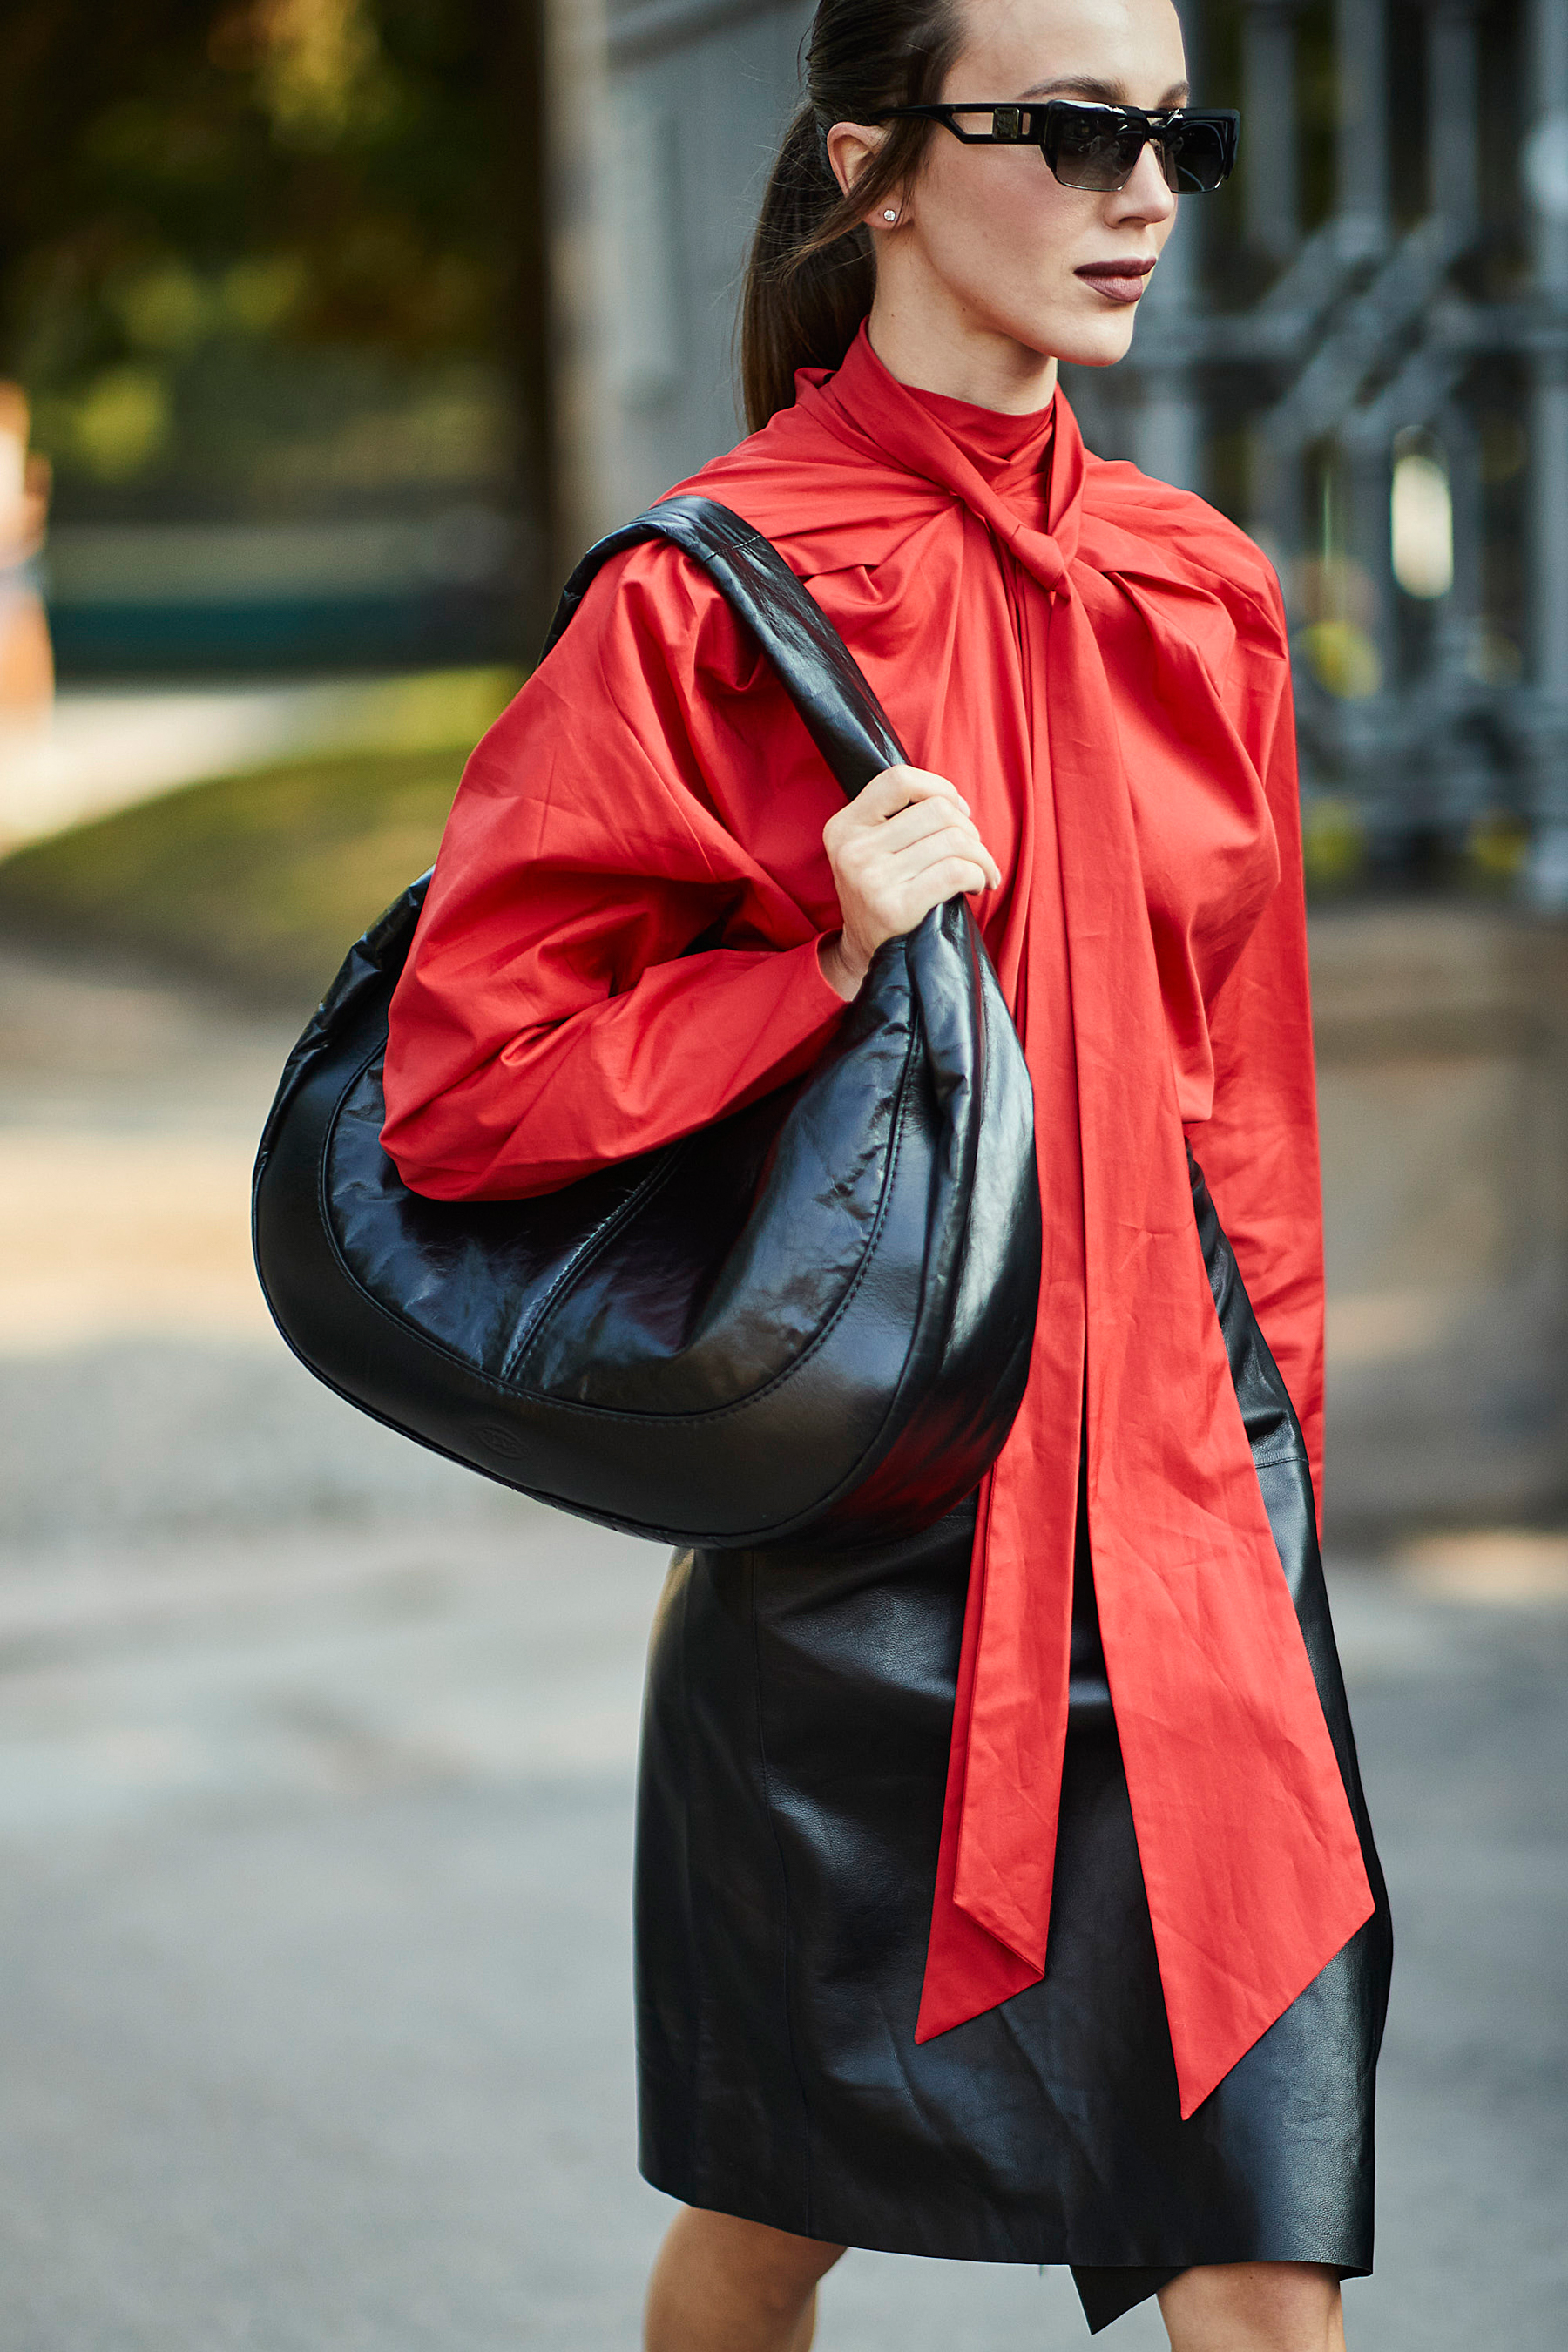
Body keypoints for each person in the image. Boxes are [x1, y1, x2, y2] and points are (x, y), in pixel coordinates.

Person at [379, 0, 1392, 2343]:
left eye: (1172, 137)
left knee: (1266, 2256)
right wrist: (817, 951)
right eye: (1067, 132)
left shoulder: (1200, 589)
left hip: (1195, 1513)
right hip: (881, 1518)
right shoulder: (704, 599)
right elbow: (465, 1081)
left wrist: (1282, 1512)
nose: (1139, 193)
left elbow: (1252, 1115)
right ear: (873, 164)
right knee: (769, 2227)